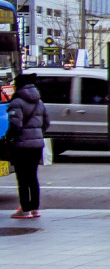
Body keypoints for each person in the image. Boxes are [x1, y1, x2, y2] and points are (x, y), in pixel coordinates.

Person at [6, 73, 49, 220]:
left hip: (21, 146)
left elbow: (15, 125)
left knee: (22, 178)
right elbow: (47, 123)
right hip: (37, 145)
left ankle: (25, 209)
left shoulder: (17, 102)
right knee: (32, 177)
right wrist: (37, 134)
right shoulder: (39, 102)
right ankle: (35, 208)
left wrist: (9, 138)